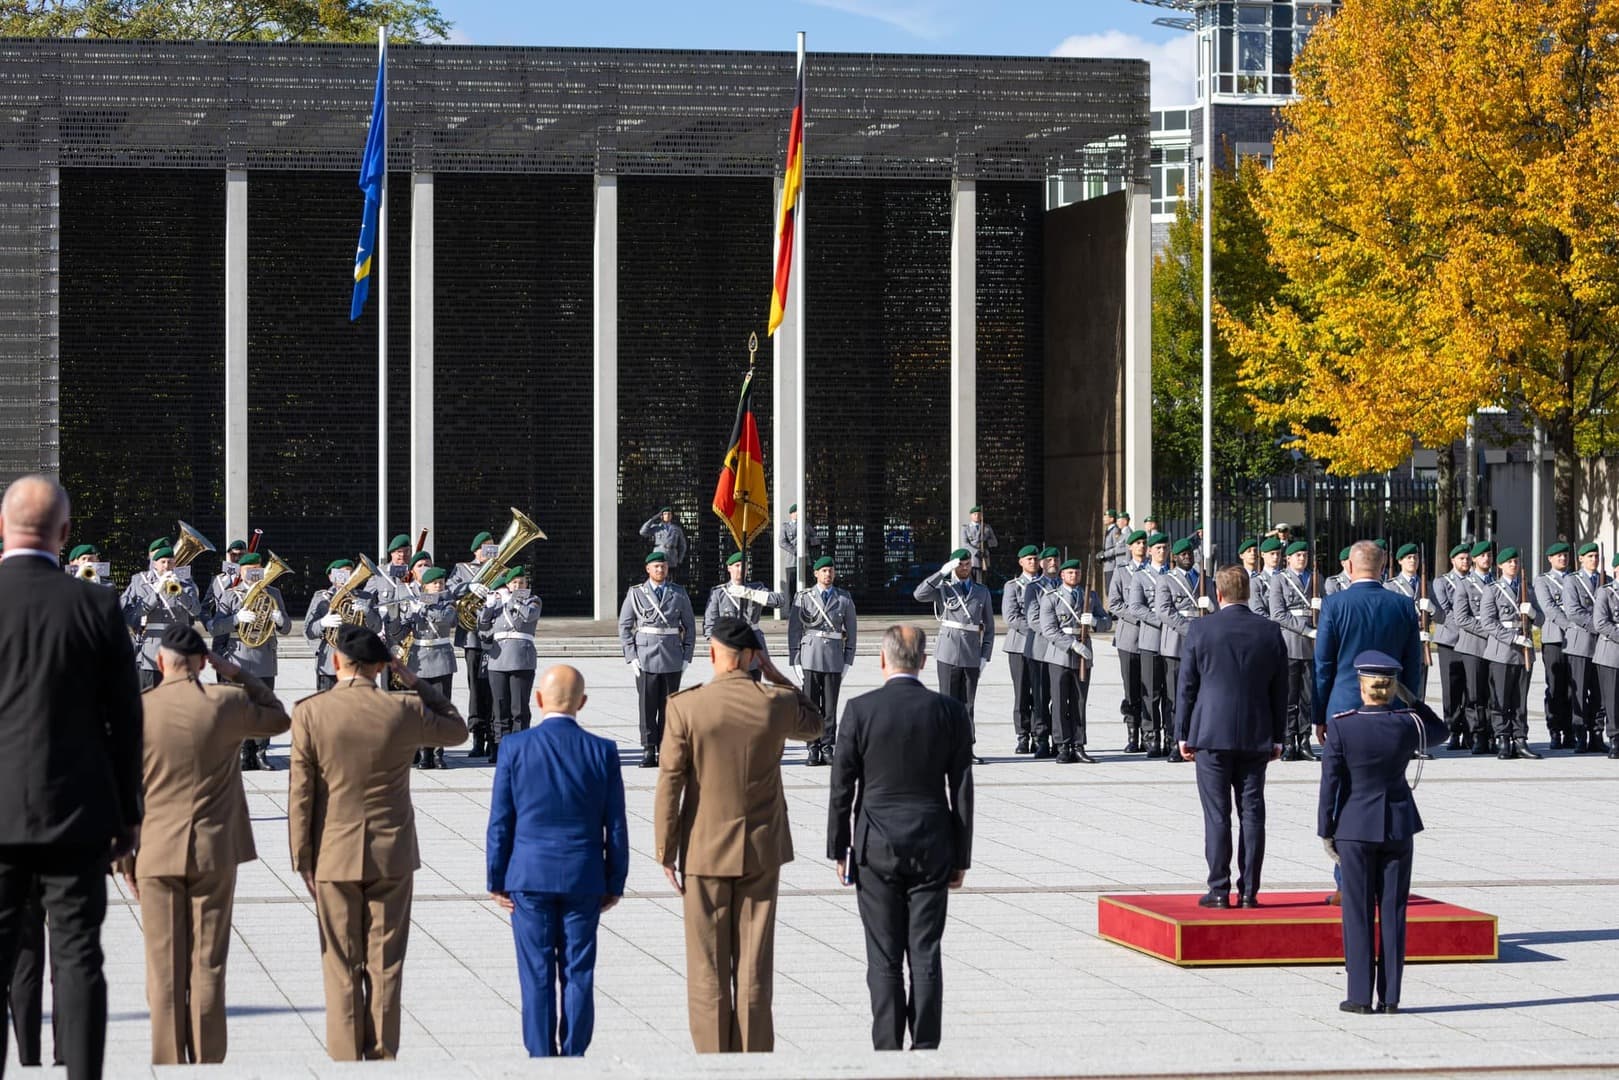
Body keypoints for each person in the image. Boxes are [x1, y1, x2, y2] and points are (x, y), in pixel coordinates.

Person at [0, 475, 143, 1080]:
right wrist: (128, 816)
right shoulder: (95, 605)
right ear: (64, 533)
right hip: (77, 814)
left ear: (2, 528)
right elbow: (125, 721)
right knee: (79, 955)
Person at [288, 625, 468, 1061]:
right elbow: (457, 730)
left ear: (337, 663)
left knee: (341, 965)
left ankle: (346, 1058)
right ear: (382, 668)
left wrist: (302, 859)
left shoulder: (311, 712)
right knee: (385, 964)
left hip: (333, 853)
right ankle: (383, 1057)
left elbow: (301, 794)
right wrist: (416, 682)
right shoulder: (403, 709)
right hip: (391, 854)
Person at [120, 624, 290, 1064]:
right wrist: (236, 673)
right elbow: (278, 717)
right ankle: (208, 1060)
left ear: (160, 662)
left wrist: (122, 857)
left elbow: (118, 786)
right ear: (202, 662)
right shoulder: (226, 702)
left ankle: (169, 1060)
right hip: (214, 850)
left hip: (156, 850)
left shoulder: (138, 709)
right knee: (208, 963)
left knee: (163, 966)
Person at [654, 617, 824, 1054]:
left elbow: (670, 781)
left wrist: (665, 850)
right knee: (753, 968)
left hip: (703, 850)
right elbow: (816, 725)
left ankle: (715, 1064)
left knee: (707, 969)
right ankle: (753, 1063)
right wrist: (777, 675)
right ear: (752, 658)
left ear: (713, 653)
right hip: (760, 849)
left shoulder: (686, 707)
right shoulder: (775, 703)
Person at [827, 625, 972, 1051]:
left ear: (882, 660)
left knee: (884, 955)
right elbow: (962, 789)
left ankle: (888, 1050)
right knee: (925, 951)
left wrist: (839, 848)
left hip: (876, 847)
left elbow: (841, 787)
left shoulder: (860, 710)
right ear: (924, 661)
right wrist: (961, 856)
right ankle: (925, 1047)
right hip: (932, 843)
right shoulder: (949, 711)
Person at [486, 665, 628, 1058]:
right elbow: (616, 824)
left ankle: (541, 1057)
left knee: (536, 973)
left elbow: (501, 821)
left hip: (529, 876)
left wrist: (496, 878)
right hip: (584, 875)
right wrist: (615, 881)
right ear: (582, 702)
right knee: (578, 971)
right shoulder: (603, 751)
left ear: (537, 699)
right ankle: (575, 1055)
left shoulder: (514, 748)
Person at [1319, 650, 1449, 1014]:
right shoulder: (1407, 723)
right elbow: (1441, 732)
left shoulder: (1342, 726)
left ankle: (1360, 996)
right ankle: (1390, 998)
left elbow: (1330, 785)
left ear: (1362, 687)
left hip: (1355, 826)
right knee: (1393, 912)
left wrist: (1326, 829)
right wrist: (1411, 699)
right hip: (1397, 825)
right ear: (1391, 688)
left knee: (1358, 912)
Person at [1176, 565, 1287, 908]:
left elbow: (1187, 685)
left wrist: (1182, 733)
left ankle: (1219, 889)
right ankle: (1250, 891)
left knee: (1217, 814)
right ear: (1248, 593)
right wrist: (1278, 736)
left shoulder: (1201, 628)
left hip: (1210, 733)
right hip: (1256, 733)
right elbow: (1281, 688)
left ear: (1218, 594)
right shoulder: (1269, 630)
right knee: (1252, 814)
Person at [1312, 541, 1425, 739]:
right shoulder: (1404, 605)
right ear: (1383, 566)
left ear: (1349, 566)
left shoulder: (1333, 605)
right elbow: (1413, 665)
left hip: (1344, 707)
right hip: (1392, 705)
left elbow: (1323, 666)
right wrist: (1409, 708)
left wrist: (1320, 716)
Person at [207, 551, 289, 772]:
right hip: (238, 655)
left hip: (264, 656)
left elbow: (287, 628)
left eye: (257, 569)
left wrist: (279, 620)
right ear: (241, 571)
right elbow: (215, 627)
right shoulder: (230, 594)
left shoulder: (273, 593)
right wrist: (235, 619)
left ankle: (261, 752)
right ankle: (243, 751)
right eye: (249, 569)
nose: (254, 573)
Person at [913, 547, 995, 758]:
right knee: (947, 701)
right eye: (960, 565)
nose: (965, 568)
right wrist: (942, 572)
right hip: (948, 651)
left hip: (971, 652)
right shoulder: (944, 588)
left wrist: (985, 655)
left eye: (967, 565)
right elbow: (919, 594)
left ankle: (966, 748)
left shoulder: (981, 591)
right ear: (953, 567)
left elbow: (989, 627)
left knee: (968, 704)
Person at [618, 551, 696, 768]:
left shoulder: (678, 592)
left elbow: (690, 626)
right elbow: (624, 626)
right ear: (648, 569)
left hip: (672, 655)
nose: (660, 570)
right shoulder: (635, 593)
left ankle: (666, 749)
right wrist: (631, 656)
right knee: (647, 706)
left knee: (669, 707)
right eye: (656, 567)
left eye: (663, 566)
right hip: (646, 656)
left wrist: (687, 655)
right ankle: (648, 749)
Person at [1036, 557, 1112, 763]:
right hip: (1060, 654)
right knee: (1060, 702)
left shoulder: (1090, 596)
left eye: (1077, 572)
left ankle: (1078, 745)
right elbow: (1049, 630)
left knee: (1079, 701)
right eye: (1070, 572)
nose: (1074, 575)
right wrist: (1072, 645)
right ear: (1062, 575)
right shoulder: (1051, 597)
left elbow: (1107, 622)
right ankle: (1062, 745)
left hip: (1083, 655)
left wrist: (1095, 621)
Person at [787, 556, 858, 766]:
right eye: (824, 571)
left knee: (830, 707)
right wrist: (795, 660)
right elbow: (794, 630)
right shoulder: (804, 597)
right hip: (810, 656)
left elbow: (852, 632)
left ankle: (827, 747)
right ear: (816, 574)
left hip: (834, 657)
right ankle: (812, 747)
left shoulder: (843, 598)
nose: (828, 574)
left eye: (830, 570)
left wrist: (848, 660)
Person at [1478, 547, 1541, 760]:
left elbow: (1541, 619)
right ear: (1500, 566)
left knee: (1520, 699)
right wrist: (1513, 638)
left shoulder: (1527, 589)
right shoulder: (1492, 589)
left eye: (1515, 561)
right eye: (1509, 562)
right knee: (1501, 698)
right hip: (1502, 651)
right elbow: (1488, 622)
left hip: (1524, 652)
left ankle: (1520, 739)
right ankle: (1503, 739)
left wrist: (1532, 613)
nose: (1513, 565)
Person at [1155, 538, 1215, 760]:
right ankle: (1174, 741)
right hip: (1176, 644)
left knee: (1199, 696)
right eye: (1183, 554)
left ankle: (1196, 740)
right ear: (1175, 558)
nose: (1187, 557)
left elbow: (1216, 608)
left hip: (1202, 645)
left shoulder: (1205, 580)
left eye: (1189, 553)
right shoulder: (1166, 580)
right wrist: (1192, 629)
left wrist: (1210, 607)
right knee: (1174, 697)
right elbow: (1164, 611)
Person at [121, 537, 203, 691]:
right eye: (163, 562)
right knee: (150, 695)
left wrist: (180, 592)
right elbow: (136, 612)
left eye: (170, 562)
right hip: (152, 648)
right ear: (155, 564)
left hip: (178, 646)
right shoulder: (140, 580)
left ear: (175, 563)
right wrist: (156, 593)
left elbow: (196, 610)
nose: (166, 566)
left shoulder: (185, 582)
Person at [479, 566, 543, 763]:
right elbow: (482, 627)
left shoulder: (533, 600)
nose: (518, 585)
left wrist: (512, 601)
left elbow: (529, 616)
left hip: (521, 659)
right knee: (500, 707)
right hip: (498, 660)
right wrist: (489, 607)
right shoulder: (498, 604)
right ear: (507, 585)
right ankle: (500, 746)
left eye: (521, 582)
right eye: (514, 583)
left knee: (519, 708)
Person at [400, 566, 459, 769]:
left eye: (441, 583)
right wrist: (404, 614)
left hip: (441, 657)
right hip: (419, 659)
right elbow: (399, 630)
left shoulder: (448, 602)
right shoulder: (414, 602)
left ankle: (438, 753)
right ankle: (425, 753)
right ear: (425, 586)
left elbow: (446, 619)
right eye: (434, 583)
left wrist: (425, 608)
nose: (438, 586)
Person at [1269, 539, 1321, 761]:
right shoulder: (1279, 580)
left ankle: (1305, 740)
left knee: (1307, 698)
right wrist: (1306, 630)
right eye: (1297, 555)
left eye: (1304, 555)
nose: (1302, 558)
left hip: (1311, 646)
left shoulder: (1316, 579)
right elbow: (1277, 614)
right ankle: (1289, 740)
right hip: (1290, 643)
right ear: (1288, 558)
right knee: (1290, 697)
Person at [450, 530, 498, 757]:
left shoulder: (500, 569)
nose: (490, 551)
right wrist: (468, 586)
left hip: (496, 637)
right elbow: (449, 590)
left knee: (496, 689)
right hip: (473, 637)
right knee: (477, 689)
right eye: (486, 548)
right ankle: (478, 736)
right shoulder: (462, 569)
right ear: (476, 550)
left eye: (493, 547)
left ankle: (495, 737)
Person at [303, 559, 383, 693]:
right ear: (331, 577)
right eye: (340, 573)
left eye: (349, 573)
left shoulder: (365, 597)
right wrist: (322, 623)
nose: (345, 577)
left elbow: (377, 628)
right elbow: (308, 631)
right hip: (330, 663)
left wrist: (367, 612)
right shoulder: (321, 597)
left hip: (358, 661)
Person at [1561, 541, 1609, 754]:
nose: (1594, 560)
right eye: (1590, 556)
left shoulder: (1606, 580)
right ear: (1580, 559)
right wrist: (1600, 626)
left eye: (1596, 556)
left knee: (1600, 694)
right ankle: (1580, 735)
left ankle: (1597, 734)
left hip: (1602, 646)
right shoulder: (1572, 580)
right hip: (1580, 644)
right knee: (1579, 693)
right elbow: (1573, 612)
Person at [702, 551, 784, 667]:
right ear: (729, 568)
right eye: (737, 565)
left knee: (753, 677)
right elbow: (710, 622)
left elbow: (779, 601)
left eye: (744, 566)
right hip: (728, 642)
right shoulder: (719, 592)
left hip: (752, 642)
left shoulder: (756, 588)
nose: (740, 569)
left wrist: (750, 593)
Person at [1106, 531, 1149, 752]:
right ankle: (1133, 735)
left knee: (1151, 689)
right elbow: (1114, 603)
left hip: (1152, 638)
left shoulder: (1154, 571)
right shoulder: (1122, 571)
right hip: (1129, 637)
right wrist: (1140, 616)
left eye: (1144, 543)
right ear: (1130, 547)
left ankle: (1149, 734)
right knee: (1131, 689)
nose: (1141, 546)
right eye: (1137, 543)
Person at [1129, 533, 1171, 756]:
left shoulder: (1173, 575)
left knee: (1171, 693)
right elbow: (1136, 607)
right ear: (1150, 552)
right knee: (1151, 693)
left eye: (1164, 548)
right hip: (1152, 639)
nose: (1162, 551)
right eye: (1158, 548)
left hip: (1173, 642)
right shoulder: (1140, 576)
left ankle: (1171, 737)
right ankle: (1151, 737)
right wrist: (1163, 620)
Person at [1455, 541, 1498, 754]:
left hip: (1495, 646)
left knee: (1493, 693)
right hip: (1474, 645)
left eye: (1489, 555)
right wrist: (1489, 631)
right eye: (1482, 556)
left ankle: (1492, 734)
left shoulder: (1497, 583)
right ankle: (1477, 735)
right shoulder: (1464, 584)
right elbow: (1461, 618)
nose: (1486, 559)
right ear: (1474, 559)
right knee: (1474, 694)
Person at [1430, 543, 1473, 750]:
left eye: (1468, 558)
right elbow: (1444, 611)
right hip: (1450, 640)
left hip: (1472, 641)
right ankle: (1453, 731)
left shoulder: (1475, 581)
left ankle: (1470, 731)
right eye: (1461, 558)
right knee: (1452, 688)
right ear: (1453, 560)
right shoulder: (1442, 582)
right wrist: (1468, 624)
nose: (1465, 561)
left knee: (1471, 688)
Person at [1022, 546, 1064, 758]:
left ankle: (1059, 739)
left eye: (1055, 559)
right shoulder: (1034, 588)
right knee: (1040, 697)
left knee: (1060, 697)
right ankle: (1041, 740)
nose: (1053, 563)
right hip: (1040, 648)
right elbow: (1033, 619)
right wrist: (1056, 634)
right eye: (1048, 560)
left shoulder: (1066, 585)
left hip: (1061, 651)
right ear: (1041, 563)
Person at [1002, 544, 1042, 754]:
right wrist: (1039, 629)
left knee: (1040, 693)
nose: (1033, 562)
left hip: (1042, 646)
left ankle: (1038, 734)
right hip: (1019, 645)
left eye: (1035, 559)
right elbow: (1011, 617)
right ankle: (1022, 735)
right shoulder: (1013, 586)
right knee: (1021, 693)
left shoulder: (1045, 584)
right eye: (1029, 559)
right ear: (1021, 562)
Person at [1534, 542, 1575, 749]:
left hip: (1576, 641)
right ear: (1550, 559)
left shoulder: (1575, 579)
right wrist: (1570, 625)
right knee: (1556, 686)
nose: (1562, 558)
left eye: (1565, 555)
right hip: (1554, 638)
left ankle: (1570, 731)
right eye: (1558, 555)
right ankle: (1555, 730)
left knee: (1573, 688)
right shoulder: (1543, 580)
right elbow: (1549, 608)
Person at [1384, 544, 1433, 707]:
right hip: (1400, 643)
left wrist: (1432, 609)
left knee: (1418, 691)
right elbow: (1388, 617)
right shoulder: (1390, 586)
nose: (1413, 561)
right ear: (1400, 561)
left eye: (1415, 558)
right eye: (1409, 558)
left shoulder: (1427, 585)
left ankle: (1417, 719)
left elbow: (1441, 616)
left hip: (1420, 643)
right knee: (1398, 689)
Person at [1590, 555, 1619, 759]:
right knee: (1612, 699)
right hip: (1611, 653)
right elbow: (1600, 623)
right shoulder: (1606, 592)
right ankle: (1615, 738)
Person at [777, 503, 819, 597]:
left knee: (807, 586)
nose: (797, 514)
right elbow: (782, 542)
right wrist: (795, 550)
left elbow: (816, 540)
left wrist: (808, 540)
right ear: (791, 514)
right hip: (792, 561)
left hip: (806, 560)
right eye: (795, 512)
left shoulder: (806, 526)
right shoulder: (786, 526)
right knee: (792, 588)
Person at [640, 507, 689, 579]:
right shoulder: (656, 527)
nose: (667, 516)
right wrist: (653, 519)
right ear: (661, 516)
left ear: (671, 516)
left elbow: (683, 545)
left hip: (672, 556)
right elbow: (642, 532)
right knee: (658, 576)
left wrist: (680, 559)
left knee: (670, 578)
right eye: (665, 514)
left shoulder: (676, 529)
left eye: (669, 514)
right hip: (659, 553)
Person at [961, 506, 997, 585]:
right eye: (975, 514)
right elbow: (965, 544)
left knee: (981, 583)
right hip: (972, 559)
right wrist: (976, 551)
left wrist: (986, 544)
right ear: (971, 516)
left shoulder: (986, 527)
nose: (977, 516)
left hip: (983, 558)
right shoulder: (966, 528)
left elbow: (995, 542)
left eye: (979, 514)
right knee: (970, 583)